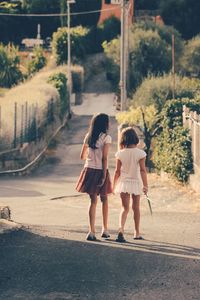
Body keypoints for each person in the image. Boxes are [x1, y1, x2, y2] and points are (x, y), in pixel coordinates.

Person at [76, 113, 112, 241]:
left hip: (89, 169)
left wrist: (91, 156)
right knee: (104, 199)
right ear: (105, 124)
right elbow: (105, 157)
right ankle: (105, 229)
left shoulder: (88, 137)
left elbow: (82, 156)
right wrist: (103, 176)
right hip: (100, 170)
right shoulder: (106, 138)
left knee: (92, 201)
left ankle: (91, 231)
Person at [113, 127, 148, 242]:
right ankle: (137, 233)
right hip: (136, 182)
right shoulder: (141, 153)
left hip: (124, 183)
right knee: (136, 208)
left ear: (123, 139)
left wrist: (113, 185)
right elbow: (143, 170)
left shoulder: (120, 154)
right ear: (135, 138)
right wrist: (145, 185)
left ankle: (121, 229)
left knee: (124, 208)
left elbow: (117, 171)